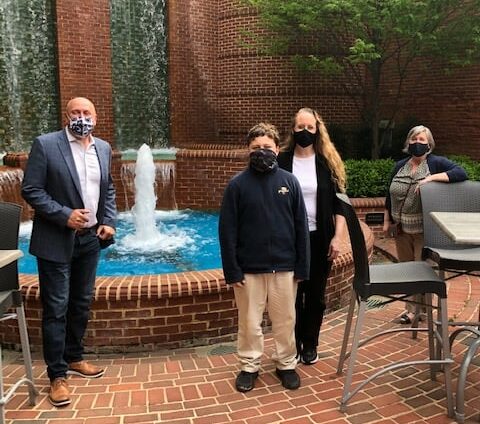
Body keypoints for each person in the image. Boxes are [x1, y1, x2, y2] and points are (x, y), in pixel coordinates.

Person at [21, 97, 116, 407]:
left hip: (90, 240)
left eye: (86, 112)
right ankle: (56, 375)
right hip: (55, 240)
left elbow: (109, 187)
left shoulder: (102, 148)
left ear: (96, 117)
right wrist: (64, 215)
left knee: (81, 302)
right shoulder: (46, 144)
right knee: (56, 307)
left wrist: (108, 221)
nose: (81, 117)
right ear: (66, 115)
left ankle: (74, 357)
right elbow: (31, 189)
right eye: (75, 112)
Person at [219, 122, 310, 393]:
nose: (261, 152)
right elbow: (227, 231)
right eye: (256, 148)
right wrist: (232, 270)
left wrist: (302, 267)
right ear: (248, 150)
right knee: (249, 322)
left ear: (277, 149)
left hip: (285, 267)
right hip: (249, 269)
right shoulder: (237, 185)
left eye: (267, 147)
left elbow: (301, 228)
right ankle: (249, 365)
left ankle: (285, 363)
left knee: (286, 320)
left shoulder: (289, 182)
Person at [278, 107, 346, 365]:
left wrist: (337, 237)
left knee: (315, 296)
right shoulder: (282, 161)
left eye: (310, 128)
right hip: (290, 240)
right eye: (300, 127)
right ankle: (293, 345)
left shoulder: (327, 162)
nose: (304, 132)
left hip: (320, 238)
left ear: (317, 130)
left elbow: (340, 204)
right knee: (293, 296)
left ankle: (311, 344)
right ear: (292, 129)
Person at [383, 125, 467, 324]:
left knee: (422, 269)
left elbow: (460, 173)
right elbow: (390, 194)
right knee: (407, 268)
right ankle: (415, 309)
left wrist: (431, 178)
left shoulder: (436, 163)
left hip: (423, 230)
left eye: (422, 140)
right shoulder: (400, 166)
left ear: (429, 144)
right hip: (401, 229)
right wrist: (387, 221)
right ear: (408, 143)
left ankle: (416, 311)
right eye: (414, 140)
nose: (417, 143)